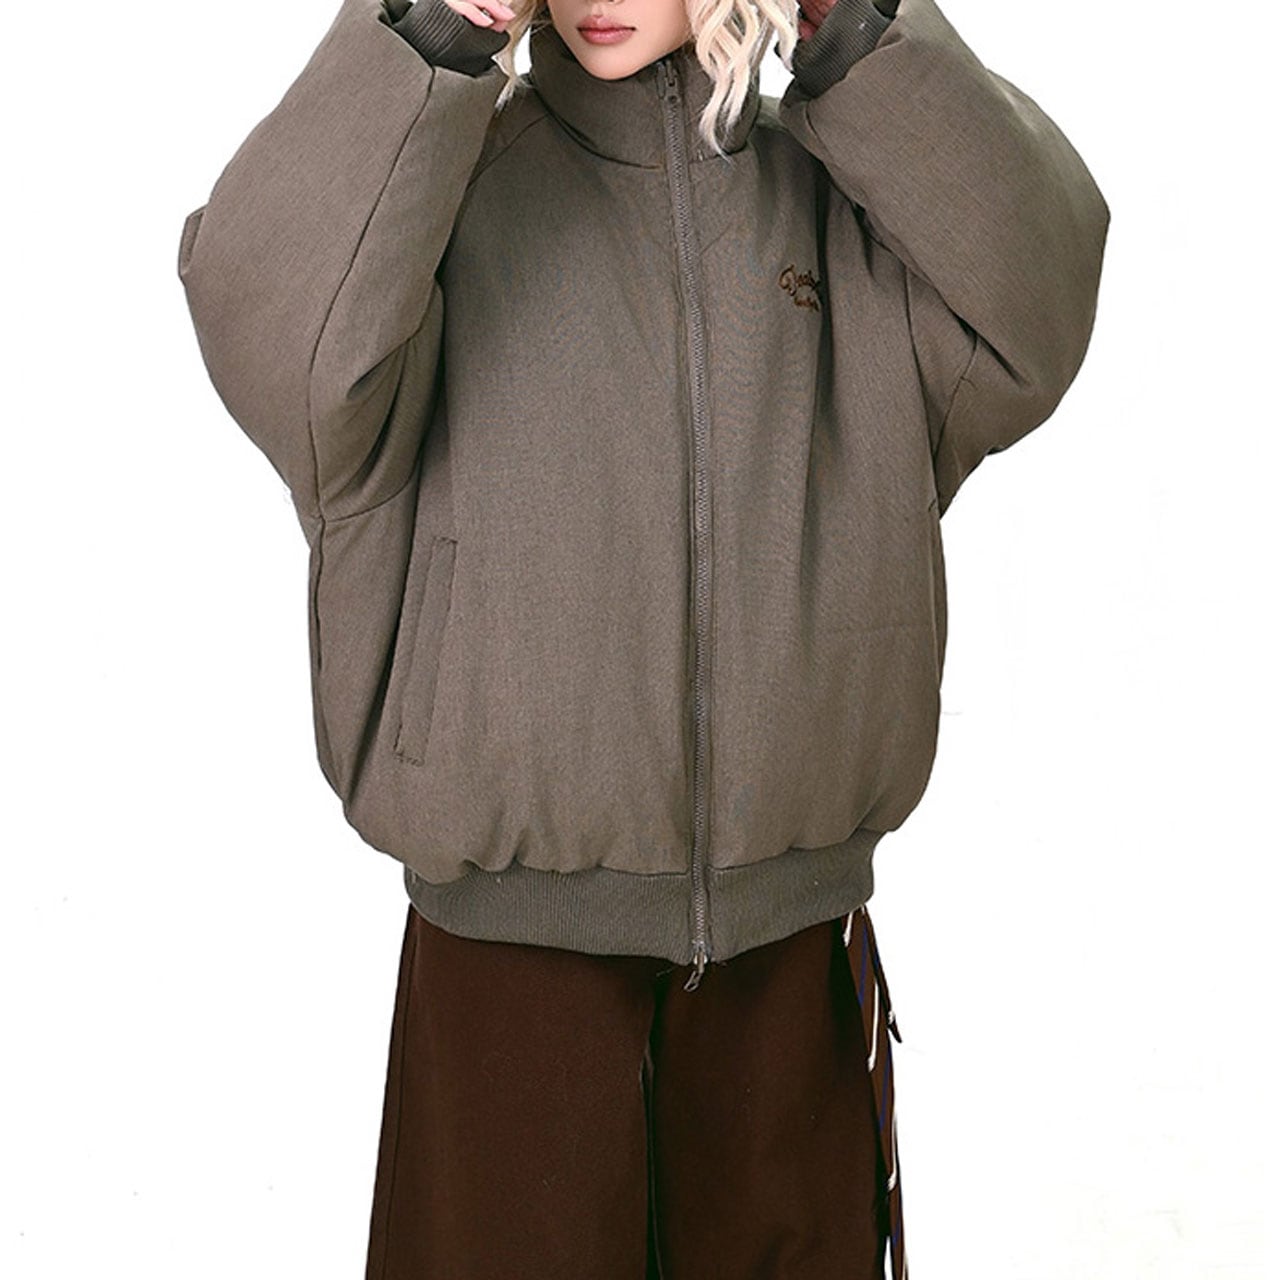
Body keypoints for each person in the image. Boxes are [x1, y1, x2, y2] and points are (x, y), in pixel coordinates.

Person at [175, 0, 1110, 1274]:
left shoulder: (841, 210)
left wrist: (854, 32)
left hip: (789, 965)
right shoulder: (438, 199)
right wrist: (427, 37)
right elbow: (269, 329)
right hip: (509, 979)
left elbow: (1037, 298)